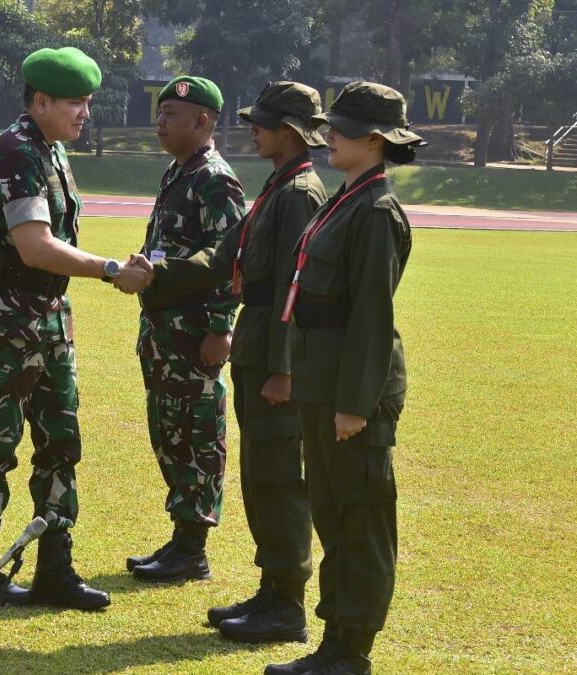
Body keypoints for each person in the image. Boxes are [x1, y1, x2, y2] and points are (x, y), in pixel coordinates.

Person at [130, 81, 424, 675]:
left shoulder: (368, 209)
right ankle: (326, 634)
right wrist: (153, 275)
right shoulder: (338, 197)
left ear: (375, 140)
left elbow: (370, 315)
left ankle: (344, 646)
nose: (328, 135)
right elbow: (238, 261)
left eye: (339, 128)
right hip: (318, 377)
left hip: (340, 386)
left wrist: (350, 400)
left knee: (356, 517)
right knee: (330, 511)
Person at [0, 47, 147, 611]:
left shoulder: (51, 149)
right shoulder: (15, 150)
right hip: (6, 322)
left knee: (60, 442)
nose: (85, 113)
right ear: (40, 101)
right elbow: (35, 247)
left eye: (87, 102)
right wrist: (111, 269)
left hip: (48, 317)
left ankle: (55, 570)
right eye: (75, 103)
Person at [205, 82, 328, 645]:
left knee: (279, 477)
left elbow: (291, 287)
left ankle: (287, 606)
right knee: (260, 473)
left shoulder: (299, 192)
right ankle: (272, 588)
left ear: (291, 132)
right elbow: (225, 254)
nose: (253, 128)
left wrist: (284, 369)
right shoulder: (280, 185)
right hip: (256, 344)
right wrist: (158, 272)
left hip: (273, 354)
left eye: (264, 122)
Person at [122, 76, 246, 583]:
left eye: (172, 113)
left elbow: (231, 259)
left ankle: (193, 549)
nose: (160, 121)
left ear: (204, 121)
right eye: (160, 111)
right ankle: (181, 539)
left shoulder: (215, 178)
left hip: (195, 337)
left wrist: (220, 328)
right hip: (164, 334)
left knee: (197, 435)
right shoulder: (180, 172)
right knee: (169, 433)